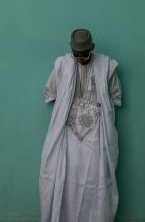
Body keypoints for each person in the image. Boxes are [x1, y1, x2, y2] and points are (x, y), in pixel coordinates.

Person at [39, 28, 122, 222]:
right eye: (77, 54)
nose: (81, 58)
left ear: (92, 48)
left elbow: (116, 95)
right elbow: (50, 91)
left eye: (84, 54)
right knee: (63, 175)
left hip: (97, 132)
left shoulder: (106, 66)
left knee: (96, 177)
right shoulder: (62, 65)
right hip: (67, 131)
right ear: (71, 50)